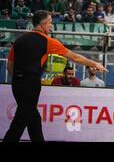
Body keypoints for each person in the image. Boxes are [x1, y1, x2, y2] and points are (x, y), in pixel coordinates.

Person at [3, 10, 107, 142]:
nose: (51, 26)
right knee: (20, 121)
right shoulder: (48, 41)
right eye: (50, 23)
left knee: (33, 118)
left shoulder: (19, 40)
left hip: (17, 84)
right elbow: (74, 57)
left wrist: (18, 80)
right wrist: (94, 63)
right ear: (43, 24)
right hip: (31, 83)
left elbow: (9, 65)